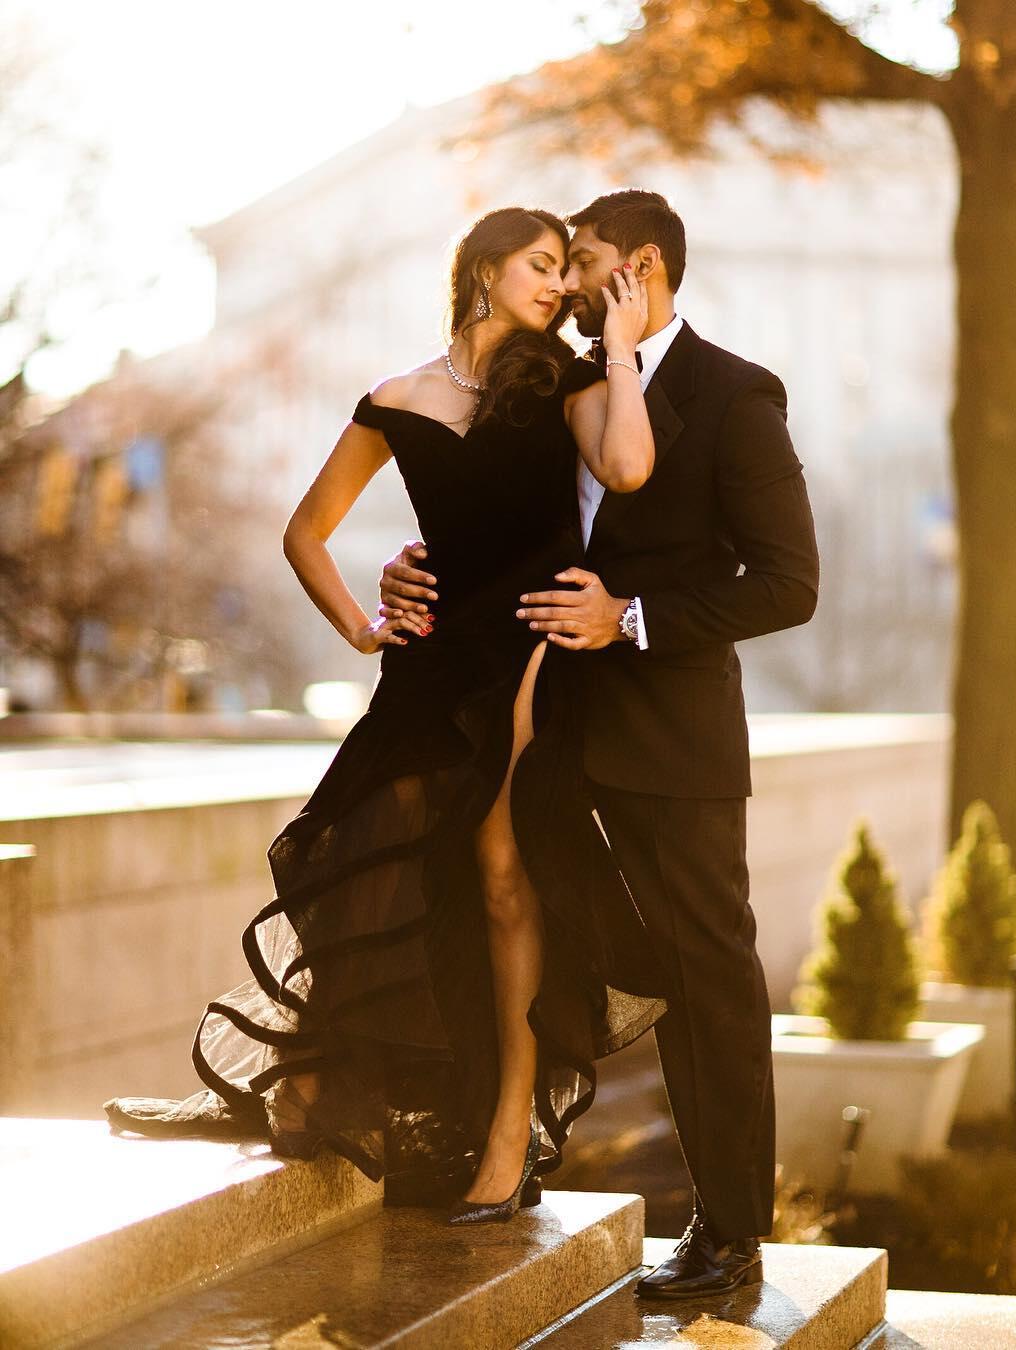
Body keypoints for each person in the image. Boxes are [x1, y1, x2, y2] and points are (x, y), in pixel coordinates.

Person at [103, 205, 670, 1227]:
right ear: (484, 270)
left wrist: (619, 351)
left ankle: (507, 1131)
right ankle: (328, 1088)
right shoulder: (395, 398)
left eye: (563, 271)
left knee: (503, 875)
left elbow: (628, 467)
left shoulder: (563, 381)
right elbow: (305, 531)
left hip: (529, 648)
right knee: (376, 857)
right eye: (542, 266)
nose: (558, 287)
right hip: (431, 658)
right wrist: (365, 627)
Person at [379, 190, 819, 1285]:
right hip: (548, 729)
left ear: (647, 268)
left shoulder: (733, 395)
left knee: (701, 973)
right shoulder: (555, 377)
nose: (564, 282)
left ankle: (730, 1230)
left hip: (671, 742)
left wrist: (627, 618)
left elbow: (789, 583)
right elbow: (505, 515)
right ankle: (497, 1142)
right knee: (506, 916)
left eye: (583, 261)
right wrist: (413, 568)